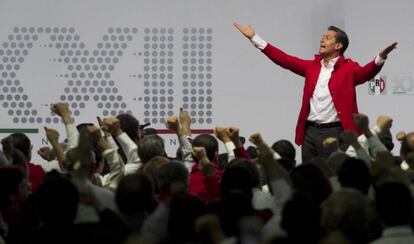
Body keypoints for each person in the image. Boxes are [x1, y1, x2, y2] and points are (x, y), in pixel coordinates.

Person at [234, 23, 397, 162]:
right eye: (322, 37)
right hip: (309, 132)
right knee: (309, 175)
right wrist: (254, 38)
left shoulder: (349, 68)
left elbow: (365, 73)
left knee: (333, 174)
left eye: (327, 38)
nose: (321, 39)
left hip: (335, 131)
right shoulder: (311, 67)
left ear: (338, 46)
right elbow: (284, 60)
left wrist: (381, 57)